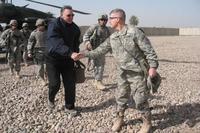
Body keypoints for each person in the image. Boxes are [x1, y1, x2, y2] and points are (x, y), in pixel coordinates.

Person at [78, 8, 159, 132]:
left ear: (118, 19)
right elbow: (99, 50)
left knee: (140, 99)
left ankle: (147, 122)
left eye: (110, 18)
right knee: (120, 97)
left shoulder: (134, 32)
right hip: (122, 73)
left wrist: (153, 67)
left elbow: (149, 51)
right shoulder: (113, 37)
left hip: (137, 73)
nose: (108, 21)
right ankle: (119, 119)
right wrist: (83, 55)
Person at [46, 5, 81, 117]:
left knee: (70, 84)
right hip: (53, 60)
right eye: (68, 15)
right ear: (61, 15)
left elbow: (75, 45)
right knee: (55, 84)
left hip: (67, 60)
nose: (71, 17)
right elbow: (56, 43)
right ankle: (51, 99)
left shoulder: (75, 29)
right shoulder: (54, 25)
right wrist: (71, 53)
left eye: (72, 15)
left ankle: (69, 107)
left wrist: (76, 57)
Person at [83, 13, 110, 90]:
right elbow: (86, 35)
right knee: (98, 65)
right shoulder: (94, 27)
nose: (104, 21)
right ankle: (98, 81)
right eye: (102, 20)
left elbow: (109, 39)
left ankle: (97, 80)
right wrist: (87, 43)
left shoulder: (106, 29)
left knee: (100, 65)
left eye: (105, 20)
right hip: (93, 49)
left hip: (101, 50)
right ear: (99, 20)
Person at [27, 19, 47, 86]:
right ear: (37, 26)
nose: (41, 27)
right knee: (40, 67)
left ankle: (46, 76)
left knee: (47, 67)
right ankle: (42, 79)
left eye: (42, 25)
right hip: (38, 52)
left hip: (47, 52)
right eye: (40, 25)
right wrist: (29, 51)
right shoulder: (34, 33)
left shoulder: (48, 32)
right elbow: (30, 43)